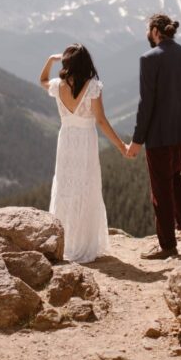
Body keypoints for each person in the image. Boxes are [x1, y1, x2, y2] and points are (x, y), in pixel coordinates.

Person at [125, 13, 181, 260]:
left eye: (148, 30)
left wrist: (137, 141)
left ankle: (167, 246)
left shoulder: (149, 59)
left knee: (161, 189)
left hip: (159, 136)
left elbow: (146, 104)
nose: (147, 35)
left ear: (156, 31)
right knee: (176, 178)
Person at [39, 43, 127, 263]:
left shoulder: (58, 85)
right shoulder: (93, 86)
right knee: (86, 187)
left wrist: (50, 60)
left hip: (66, 139)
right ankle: (83, 242)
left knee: (65, 187)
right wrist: (121, 146)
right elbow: (101, 121)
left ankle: (63, 240)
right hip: (86, 141)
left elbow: (42, 80)